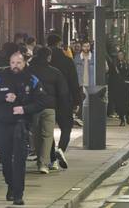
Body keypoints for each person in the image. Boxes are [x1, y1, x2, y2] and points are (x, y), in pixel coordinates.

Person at [0, 52, 48, 205]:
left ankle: (19, 194)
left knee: (19, 160)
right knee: (6, 159)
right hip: (2, 124)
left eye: (18, 63)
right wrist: (4, 97)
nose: (15, 66)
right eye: (12, 62)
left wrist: (24, 109)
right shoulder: (0, 77)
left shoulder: (32, 80)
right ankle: (11, 185)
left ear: (24, 63)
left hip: (20, 124)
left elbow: (42, 102)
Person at [29, 47, 69, 173]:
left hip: (34, 107)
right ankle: (44, 164)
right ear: (49, 57)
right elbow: (63, 92)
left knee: (36, 135)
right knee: (47, 136)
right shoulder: (55, 72)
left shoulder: (30, 71)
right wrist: (64, 108)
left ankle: (40, 160)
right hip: (50, 106)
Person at [47, 33, 79, 169]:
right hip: (65, 99)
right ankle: (61, 149)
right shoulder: (68, 61)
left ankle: (52, 159)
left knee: (47, 130)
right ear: (60, 44)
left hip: (48, 101)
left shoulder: (45, 61)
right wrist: (77, 101)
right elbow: (73, 82)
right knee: (66, 127)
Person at [110, 51, 129, 126]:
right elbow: (112, 76)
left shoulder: (128, 64)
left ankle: (127, 115)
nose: (120, 56)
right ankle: (122, 118)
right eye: (119, 55)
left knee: (127, 103)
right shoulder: (115, 65)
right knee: (119, 103)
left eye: (121, 55)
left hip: (127, 86)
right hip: (118, 86)